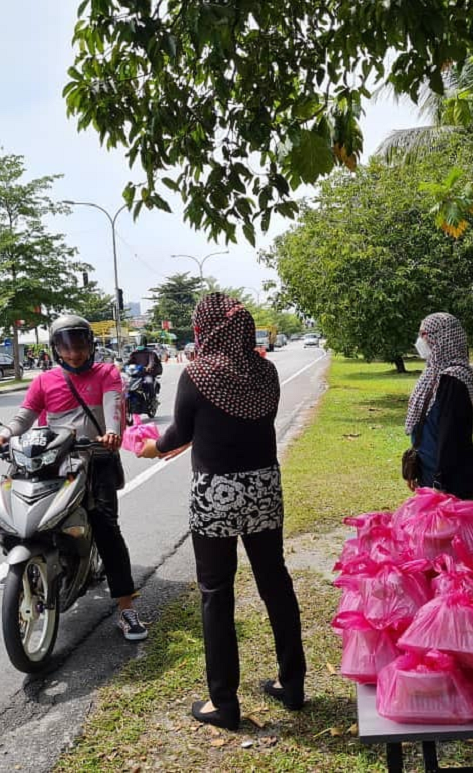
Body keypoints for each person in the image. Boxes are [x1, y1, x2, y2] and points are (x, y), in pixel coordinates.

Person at [138, 293, 306, 730]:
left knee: (216, 592)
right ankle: (293, 683)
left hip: (218, 494)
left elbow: (179, 433)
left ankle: (224, 703)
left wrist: (152, 447)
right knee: (275, 580)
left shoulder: (197, 373)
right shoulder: (265, 370)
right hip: (265, 486)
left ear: (205, 327)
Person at [0, 314, 147, 642]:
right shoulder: (45, 381)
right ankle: (28, 565)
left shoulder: (106, 373)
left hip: (95, 458)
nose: (75, 353)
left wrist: (113, 433)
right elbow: (25, 415)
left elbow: (114, 406)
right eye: (67, 347)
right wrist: (1, 438)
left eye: (80, 345)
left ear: (90, 344)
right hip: (53, 459)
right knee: (15, 514)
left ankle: (126, 607)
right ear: (56, 348)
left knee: (106, 529)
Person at [404, 312, 473, 498]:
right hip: (429, 468)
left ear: (443, 338)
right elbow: (423, 423)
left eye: (424, 334)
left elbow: (453, 434)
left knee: (446, 527)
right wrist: (415, 466)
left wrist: (440, 481)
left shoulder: (453, 378)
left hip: (448, 477)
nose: (420, 340)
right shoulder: (433, 372)